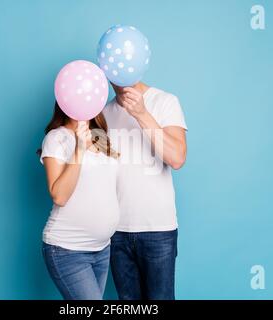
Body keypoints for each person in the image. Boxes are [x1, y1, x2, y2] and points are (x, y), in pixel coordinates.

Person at [103, 82, 188, 300]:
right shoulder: (101, 114)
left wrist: (142, 114)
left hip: (157, 230)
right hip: (115, 232)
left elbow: (177, 158)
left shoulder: (165, 101)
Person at [39, 102, 120, 300]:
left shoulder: (101, 138)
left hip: (102, 249)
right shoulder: (56, 138)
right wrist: (79, 150)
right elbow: (59, 196)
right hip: (67, 250)